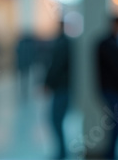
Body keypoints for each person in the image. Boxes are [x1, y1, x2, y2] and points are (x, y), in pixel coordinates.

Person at [96, 16, 118, 159]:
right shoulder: (108, 44)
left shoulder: (111, 43)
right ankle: (111, 154)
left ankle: (112, 153)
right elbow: (117, 68)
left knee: (116, 121)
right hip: (111, 89)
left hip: (111, 88)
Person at [43, 22, 71, 159]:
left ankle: (62, 152)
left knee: (56, 120)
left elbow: (56, 66)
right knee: (57, 120)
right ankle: (62, 151)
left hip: (62, 87)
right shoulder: (65, 42)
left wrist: (47, 83)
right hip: (63, 87)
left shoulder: (62, 43)